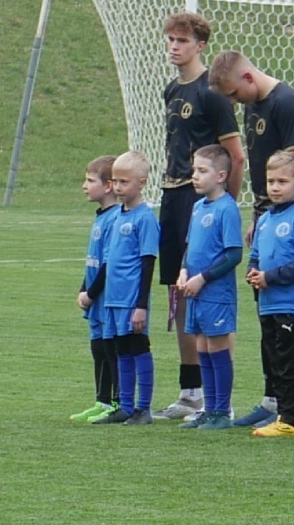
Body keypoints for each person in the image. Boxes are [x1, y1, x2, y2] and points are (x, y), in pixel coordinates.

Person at [156, 12, 244, 416]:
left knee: (206, 290)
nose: (175, 46)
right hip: (173, 196)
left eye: (182, 40)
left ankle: (214, 396)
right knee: (178, 292)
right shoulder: (172, 89)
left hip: (203, 202)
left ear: (200, 45)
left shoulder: (211, 94)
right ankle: (190, 391)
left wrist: (226, 203)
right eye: (171, 40)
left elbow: (235, 154)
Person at [243, 147, 294, 435]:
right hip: (268, 303)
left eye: (282, 182)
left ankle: (289, 419)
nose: (274, 188)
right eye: (271, 181)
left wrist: (270, 277)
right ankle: (283, 413)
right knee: (274, 360)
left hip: (290, 303)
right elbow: (257, 254)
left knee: (290, 361)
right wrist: (253, 271)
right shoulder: (265, 219)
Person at [172, 144, 247, 428]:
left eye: (202, 171)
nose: (195, 176)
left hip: (215, 293)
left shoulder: (227, 208)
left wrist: (203, 278)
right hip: (195, 292)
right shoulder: (197, 207)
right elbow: (191, 247)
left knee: (217, 347)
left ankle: (221, 411)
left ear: (221, 176)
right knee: (202, 347)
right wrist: (183, 271)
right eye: (194, 170)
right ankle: (209, 408)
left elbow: (234, 254)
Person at [208, 51, 294, 228]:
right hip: (268, 213)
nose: (233, 101)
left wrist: (287, 220)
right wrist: (258, 217)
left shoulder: (285, 102)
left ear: (248, 77)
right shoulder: (251, 106)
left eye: (234, 93)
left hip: (292, 214)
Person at [89, 154, 160, 419]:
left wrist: (141, 305)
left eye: (124, 182)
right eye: (115, 181)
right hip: (112, 299)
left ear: (141, 183)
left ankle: (144, 407)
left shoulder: (146, 218)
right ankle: (126, 406)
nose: (118, 187)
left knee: (138, 348)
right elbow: (109, 260)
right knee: (120, 350)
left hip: (131, 300)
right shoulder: (115, 216)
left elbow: (148, 263)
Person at [74, 155, 121, 423]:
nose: (84, 185)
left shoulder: (115, 218)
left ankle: (115, 400)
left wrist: (91, 293)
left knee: (109, 348)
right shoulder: (101, 217)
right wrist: (84, 288)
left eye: (90, 180)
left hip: (105, 297)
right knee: (97, 348)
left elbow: (108, 263)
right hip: (94, 297)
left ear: (108, 186)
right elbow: (92, 262)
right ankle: (100, 399)